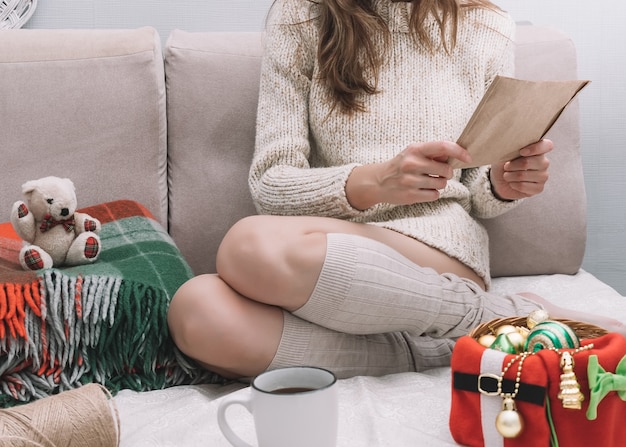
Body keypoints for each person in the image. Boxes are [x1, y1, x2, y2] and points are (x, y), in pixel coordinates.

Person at [166, 0, 616, 380]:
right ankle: (445, 348)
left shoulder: (484, 23)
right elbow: (270, 183)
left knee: (247, 246)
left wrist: (502, 184)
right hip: (318, 262)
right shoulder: (302, 15)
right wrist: (375, 182)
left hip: (436, 253)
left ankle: (493, 313)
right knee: (195, 310)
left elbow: (477, 185)